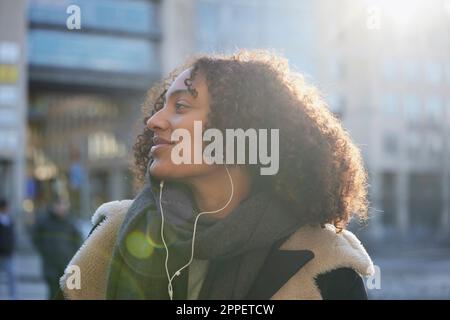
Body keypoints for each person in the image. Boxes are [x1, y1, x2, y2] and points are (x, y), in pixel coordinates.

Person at [59, 50, 374, 300]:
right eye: (160, 106)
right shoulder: (111, 233)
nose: (154, 121)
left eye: (180, 106)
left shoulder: (326, 261)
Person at [32, 198, 82, 299]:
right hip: (51, 265)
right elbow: (35, 238)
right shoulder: (44, 221)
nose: (62, 208)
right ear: (54, 206)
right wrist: (44, 251)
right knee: (53, 293)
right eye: (59, 205)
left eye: (64, 205)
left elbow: (78, 241)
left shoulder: (71, 222)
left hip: (68, 265)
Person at [0, 198, 17, 300]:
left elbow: (12, 236)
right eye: (7, 206)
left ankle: (13, 295)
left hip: (8, 252)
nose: (9, 208)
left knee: (11, 275)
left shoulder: (9, 220)